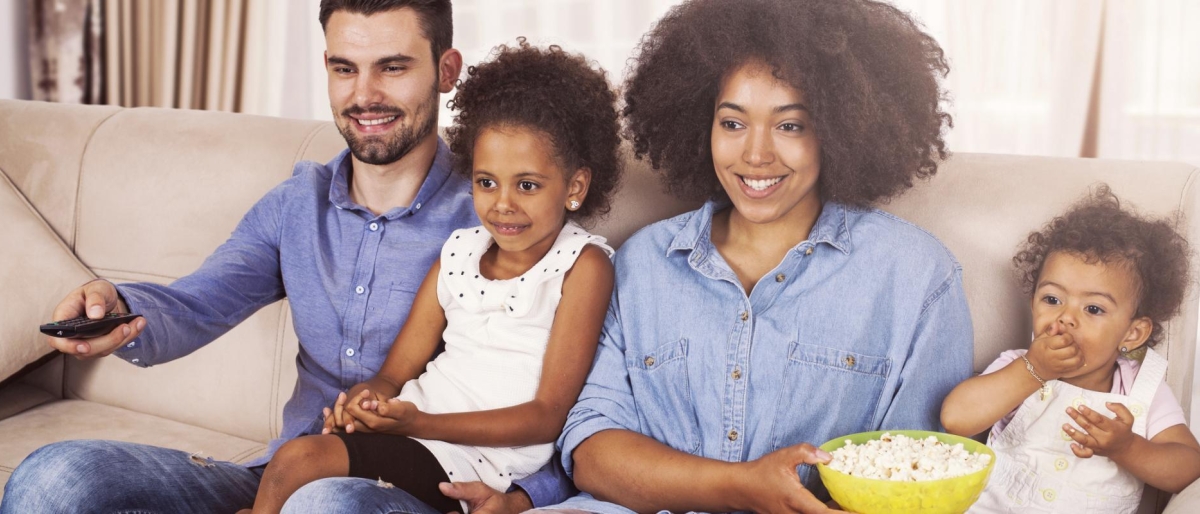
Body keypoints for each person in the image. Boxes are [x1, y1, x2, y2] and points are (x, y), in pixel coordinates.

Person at [0, 2, 575, 513]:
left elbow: (567, 403)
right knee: (57, 476)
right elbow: (197, 303)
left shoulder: (502, 215)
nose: (365, 95)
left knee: (328, 503)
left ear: (447, 71)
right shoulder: (295, 205)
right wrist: (118, 309)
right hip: (280, 479)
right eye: (345, 68)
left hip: (409, 491)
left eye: (393, 67)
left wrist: (523, 498)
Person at [542, 0, 973, 512]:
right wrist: (742, 485)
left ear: (839, 129)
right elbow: (592, 453)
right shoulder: (643, 263)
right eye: (732, 123)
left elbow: (922, 479)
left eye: (789, 125)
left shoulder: (917, 276)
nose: (755, 154)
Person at [242, 40, 621, 514]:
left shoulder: (583, 266)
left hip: (480, 461)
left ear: (575, 187)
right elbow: (392, 375)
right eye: (486, 182)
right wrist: (367, 404)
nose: (503, 203)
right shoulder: (459, 253)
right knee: (294, 459)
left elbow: (546, 418)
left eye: (527, 185)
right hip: (417, 433)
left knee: (306, 472)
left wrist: (418, 423)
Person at [942, 186, 1200, 513]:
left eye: (1093, 309)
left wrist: (1129, 448)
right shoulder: (1017, 366)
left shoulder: (1143, 389)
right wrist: (1032, 370)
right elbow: (955, 418)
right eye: (1052, 299)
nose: (1065, 317)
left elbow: (1189, 467)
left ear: (1133, 333)